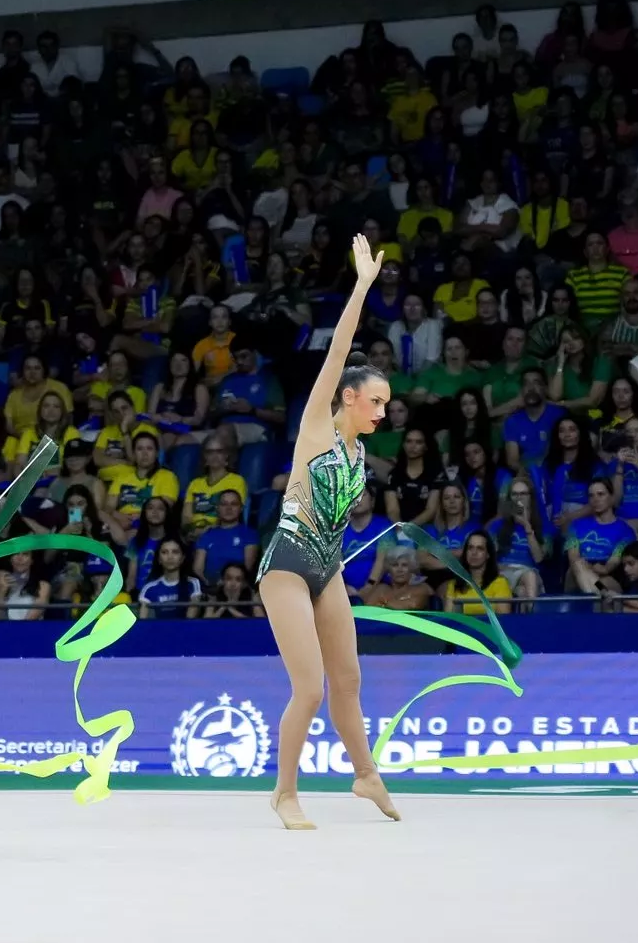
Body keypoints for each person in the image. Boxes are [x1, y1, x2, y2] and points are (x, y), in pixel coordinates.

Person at [255, 233, 401, 831]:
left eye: (387, 405)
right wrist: (362, 286)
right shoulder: (317, 425)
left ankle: (364, 774)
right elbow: (339, 349)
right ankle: (284, 792)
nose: (382, 412)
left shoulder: (359, 453)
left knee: (349, 679)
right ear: (348, 396)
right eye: (376, 402)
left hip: (327, 567)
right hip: (287, 564)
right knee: (310, 687)